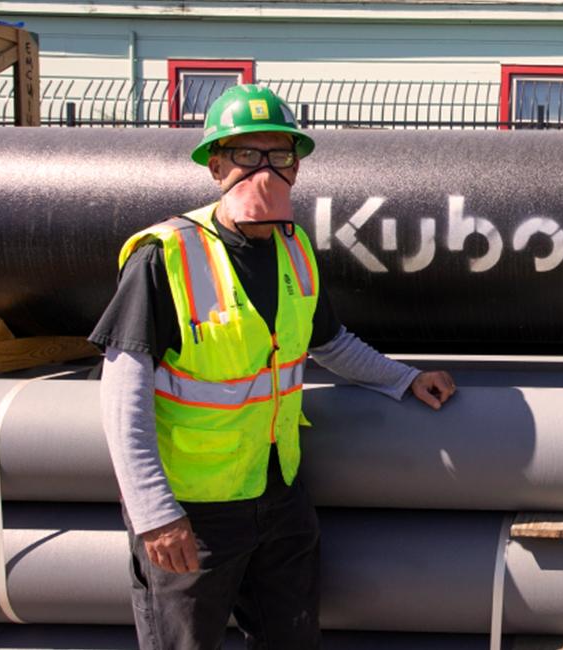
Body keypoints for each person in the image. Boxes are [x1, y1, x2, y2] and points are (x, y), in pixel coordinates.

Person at [89, 84, 456, 649]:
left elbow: (328, 343)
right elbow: (122, 396)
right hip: (194, 512)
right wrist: (154, 512)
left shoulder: (294, 247)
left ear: (297, 168)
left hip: (278, 495)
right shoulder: (165, 257)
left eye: (279, 155)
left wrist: (403, 378)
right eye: (245, 154)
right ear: (216, 167)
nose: (264, 170)